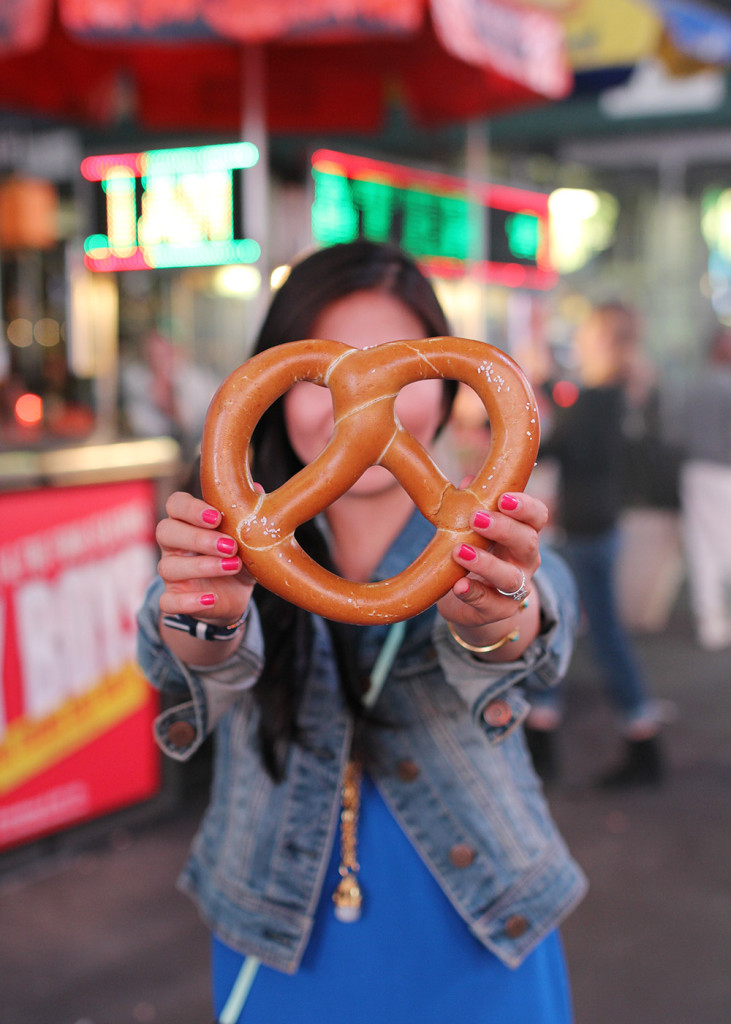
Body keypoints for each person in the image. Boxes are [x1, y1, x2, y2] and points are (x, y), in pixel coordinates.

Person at [136, 241, 587, 1024]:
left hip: (477, 924)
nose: (358, 412)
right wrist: (204, 616)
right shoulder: (231, 535)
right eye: (324, 379)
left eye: (393, 371)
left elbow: (531, 630)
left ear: (443, 388)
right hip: (281, 932)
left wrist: (498, 619)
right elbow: (190, 657)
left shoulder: (488, 537)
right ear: (273, 388)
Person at [529, 301, 664, 787]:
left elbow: (557, 445)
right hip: (596, 523)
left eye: (587, 333)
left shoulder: (598, 397)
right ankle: (630, 733)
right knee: (575, 630)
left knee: (571, 632)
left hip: (584, 529)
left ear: (604, 339)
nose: (579, 340)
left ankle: (636, 737)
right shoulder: (617, 395)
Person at [670, 326, 731, 649]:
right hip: (721, 472)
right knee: (723, 545)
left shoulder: (693, 387)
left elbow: (674, 435)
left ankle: (711, 620)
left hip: (693, 470)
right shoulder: (724, 387)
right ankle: (713, 620)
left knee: (703, 548)